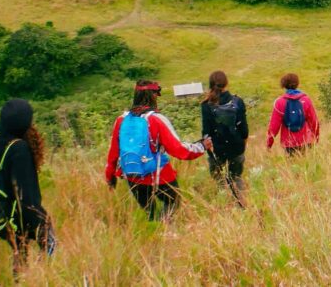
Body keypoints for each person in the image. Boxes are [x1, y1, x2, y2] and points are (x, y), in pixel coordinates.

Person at [104, 80, 210, 221]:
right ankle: (165, 229)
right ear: (153, 96)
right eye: (156, 94)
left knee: (149, 212)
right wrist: (201, 146)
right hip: (159, 175)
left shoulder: (121, 120)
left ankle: (155, 230)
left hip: (132, 176)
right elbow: (178, 149)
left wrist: (110, 175)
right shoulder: (156, 119)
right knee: (173, 201)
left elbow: (114, 151)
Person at [0, 98, 55, 275]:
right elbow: (26, 194)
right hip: (18, 213)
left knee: (19, 252)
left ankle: (22, 279)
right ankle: (45, 277)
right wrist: (41, 220)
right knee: (49, 246)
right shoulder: (19, 148)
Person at [201, 70, 249, 207]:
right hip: (237, 146)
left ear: (210, 85)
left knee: (220, 180)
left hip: (217, 148)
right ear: (227, 83)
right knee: (236, 177)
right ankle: (241, 205)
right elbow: (244, 129)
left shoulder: (206, 105)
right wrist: (243, 144)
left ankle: (225, 206)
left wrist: (209, 149)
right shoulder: (238, 101)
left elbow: (206, 131)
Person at [266, 73, 320, 156]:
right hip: (306, 140)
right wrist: (316, 137)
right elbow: (314, 121)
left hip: (289, 143)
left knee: (293, 167)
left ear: (283, 85)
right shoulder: (306, 99)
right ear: (297, 83)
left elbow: (274, 126)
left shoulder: (279, 102)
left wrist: (269, 144)